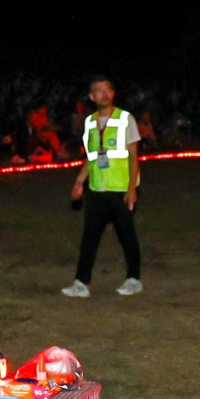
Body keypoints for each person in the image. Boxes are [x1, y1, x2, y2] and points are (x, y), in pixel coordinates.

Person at [63, 77, 143, 298]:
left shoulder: (126, 119)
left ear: (113, 93)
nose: (103, 94)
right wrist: (80, 182)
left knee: (127, 236)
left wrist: (131, 188)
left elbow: (134, 157)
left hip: (120, 190)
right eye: (98, 91)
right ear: (91, 97)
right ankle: (81, 283)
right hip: (97, 190)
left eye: (107, 90)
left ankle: (134, 279)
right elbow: (92, 158)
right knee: (89, 238)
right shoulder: (89, 123)